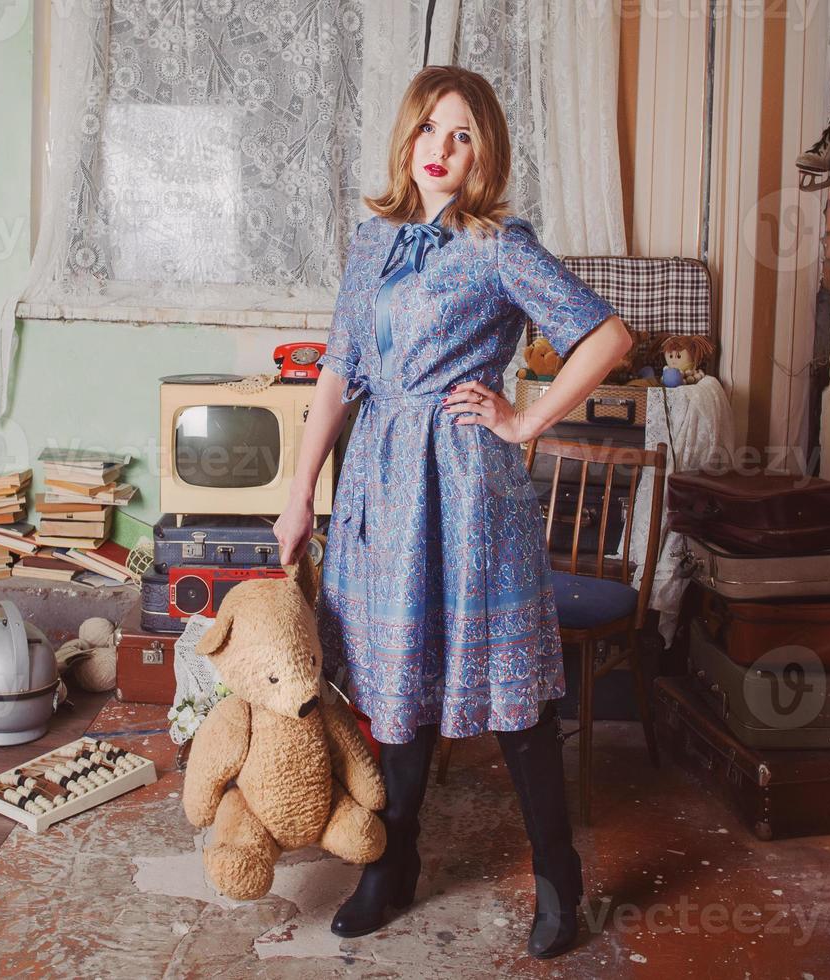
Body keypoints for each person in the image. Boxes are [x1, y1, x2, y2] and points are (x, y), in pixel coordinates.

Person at [272, 65, 633, 959]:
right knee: (395, 685)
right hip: (380, 486)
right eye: (429, 127)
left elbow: (608, 337)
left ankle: (558, 877)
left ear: (483, 154)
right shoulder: (370, 243)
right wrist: (296, 499)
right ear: (405, 139)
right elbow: (335, 376)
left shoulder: (500, 244)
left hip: (471, 487)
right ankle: (390, 867)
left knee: (509, 687)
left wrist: (525, 419)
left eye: (462, 133)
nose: (441, 147)